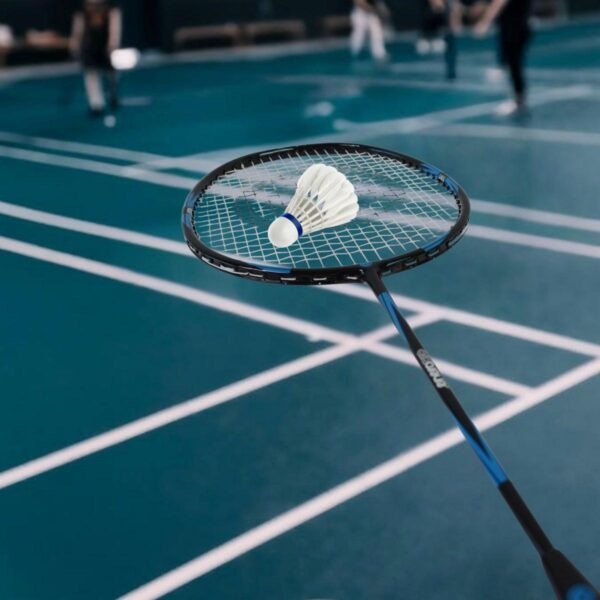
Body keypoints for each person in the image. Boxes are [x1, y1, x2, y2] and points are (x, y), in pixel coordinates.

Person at [474, 0, 532, 115]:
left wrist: (485, 23)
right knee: (513, 63)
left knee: (514, 64)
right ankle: (518, 97)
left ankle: (518, 100)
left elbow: (499, 2)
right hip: (518, 26)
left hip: (514, 27)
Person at [70, 0, 122, 117]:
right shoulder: (82, 7)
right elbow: (78, 26)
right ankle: (96, 104)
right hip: (90, 44)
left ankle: (113, 94)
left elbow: (115, 23)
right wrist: (75, 44)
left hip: (105, 44)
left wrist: (113, 43)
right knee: (91, 73)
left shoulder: (110, 5)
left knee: (111, 73)